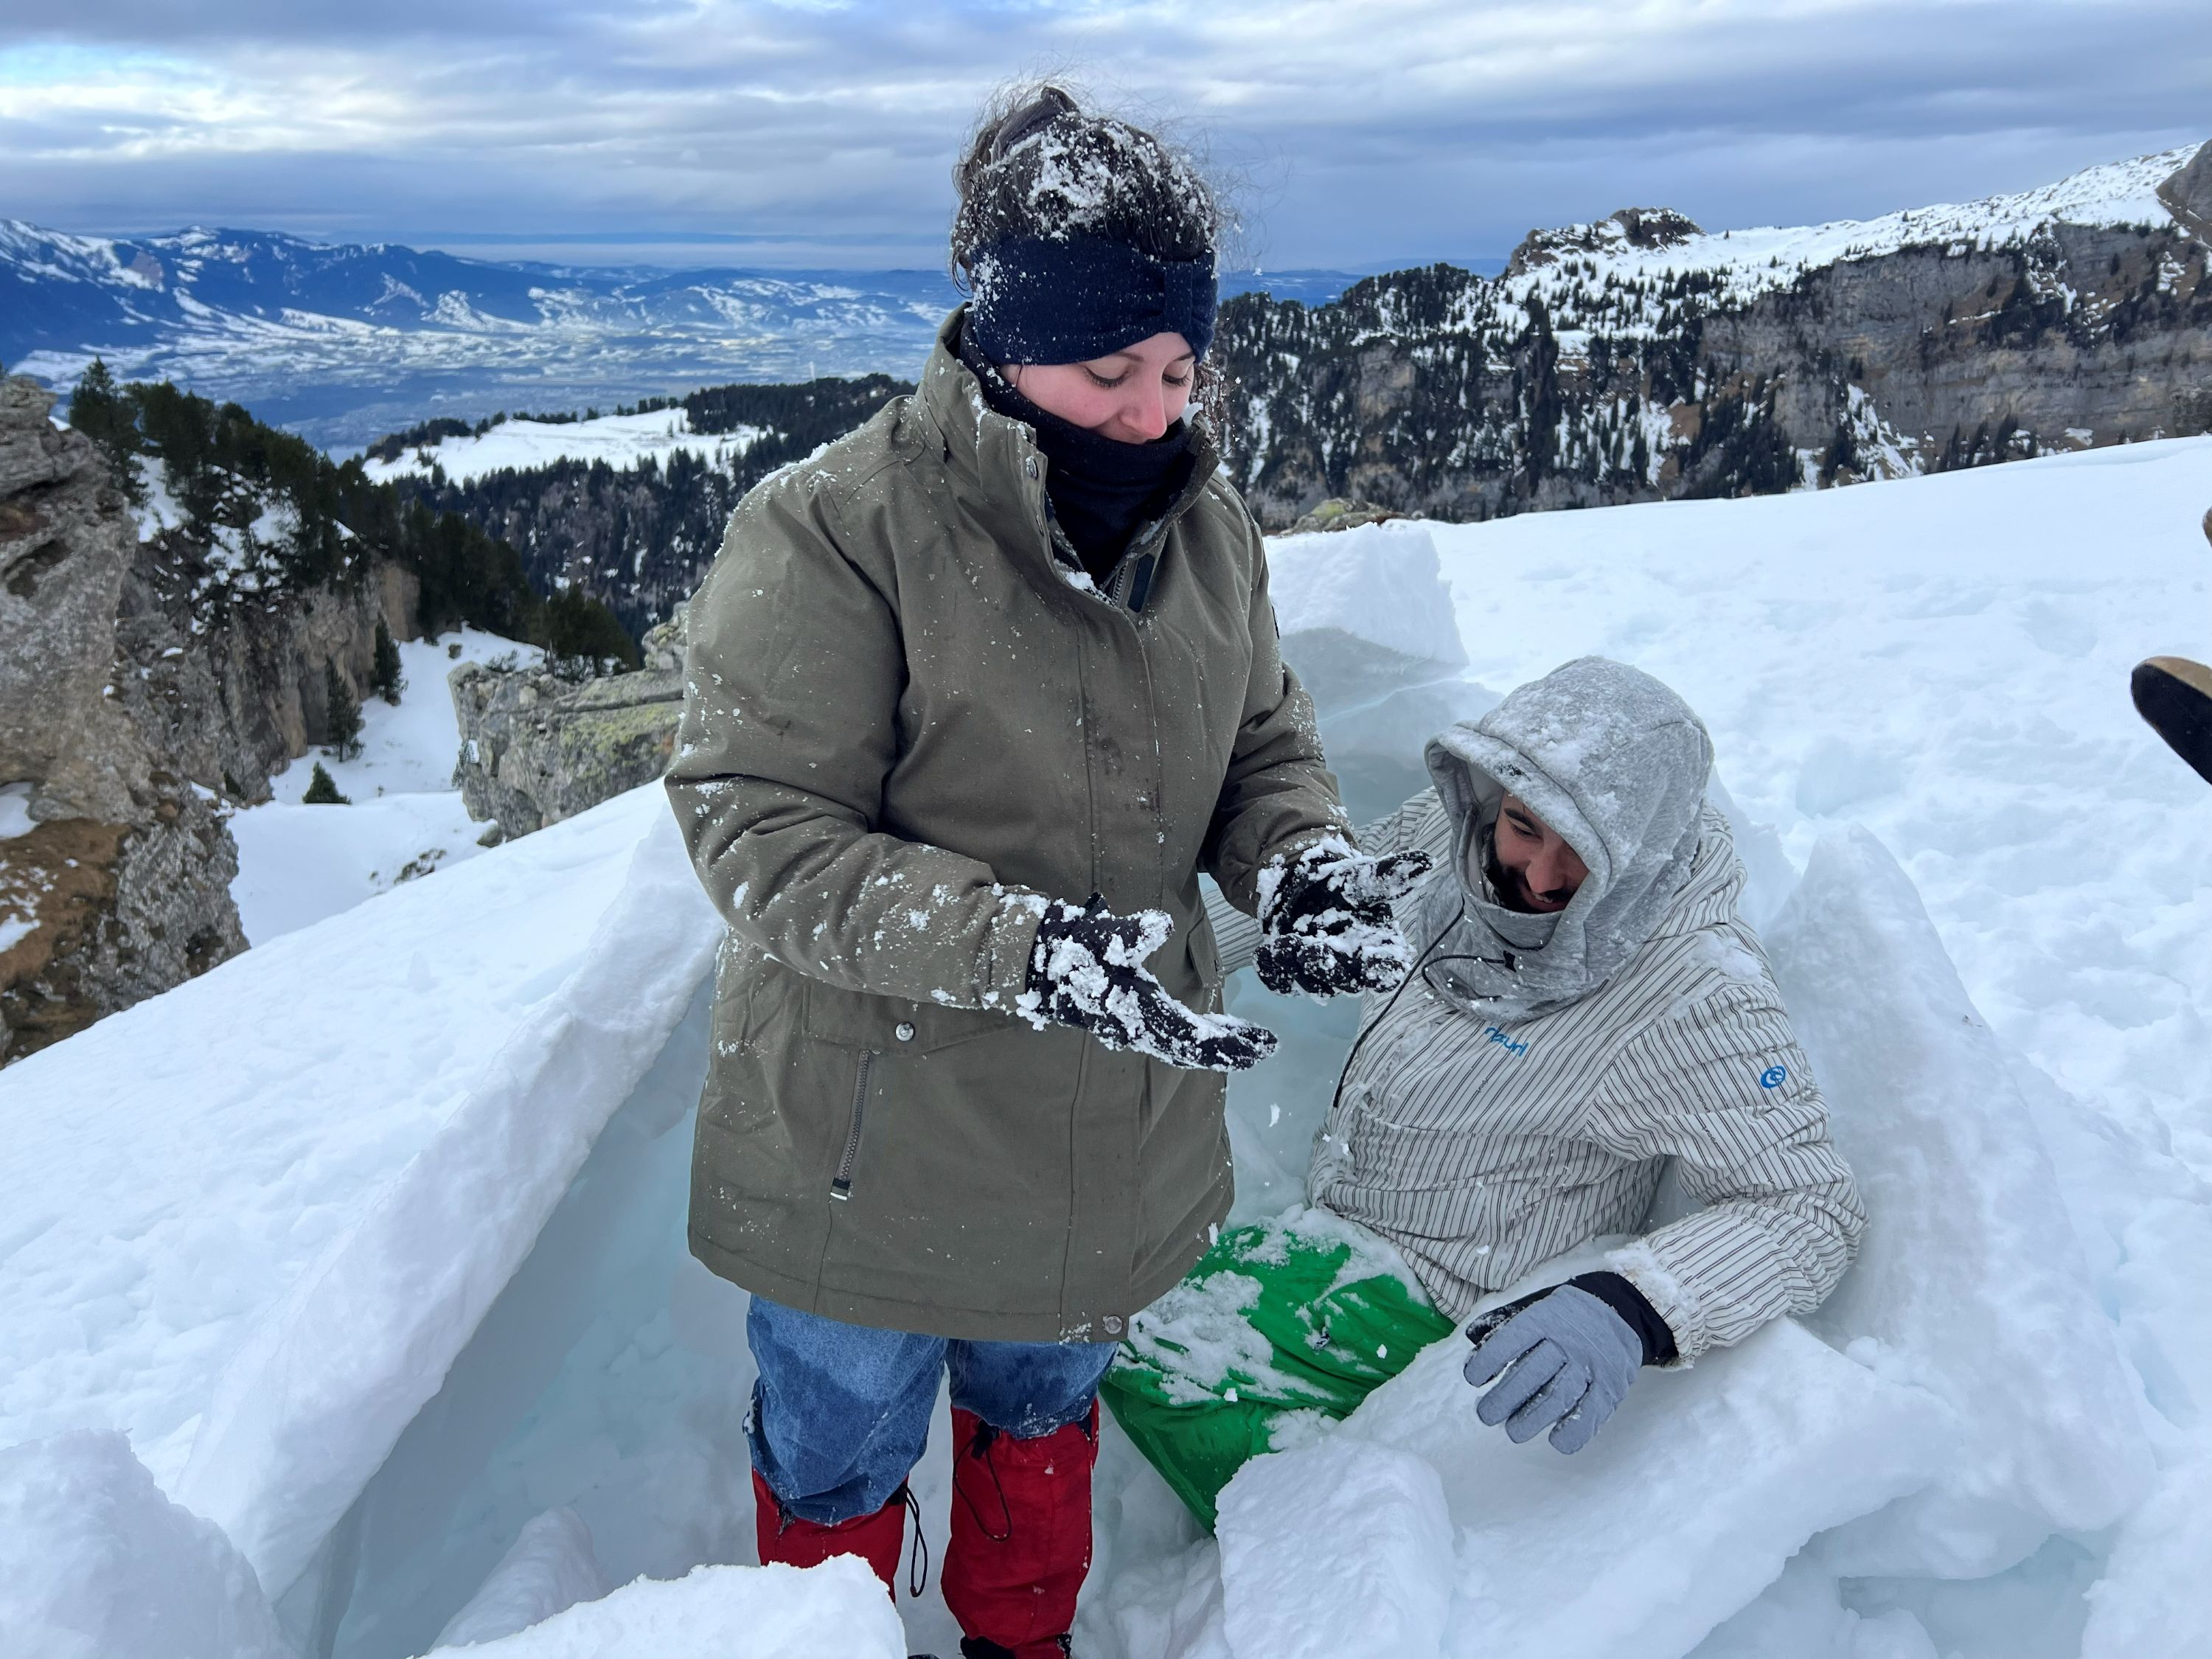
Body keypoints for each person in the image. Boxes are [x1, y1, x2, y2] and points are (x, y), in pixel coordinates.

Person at [664, 85, 1424, 1659]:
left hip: (1105, 1139)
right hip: (867, 1145)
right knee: (837, 1465)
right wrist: (1016, 945)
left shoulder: (1210, 534)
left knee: (1040, 1421)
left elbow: (1261, 745)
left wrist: (1296, 865)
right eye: (1110, 371)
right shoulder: (833, 531)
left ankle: (1025, 1645)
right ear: (1002, 345)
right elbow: (757, 827)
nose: (1158, 411)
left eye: (1179, 366)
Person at [1102, 657, 1866, 1528]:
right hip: (1346, 1218)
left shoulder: (1695, 991)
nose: (1538, 876)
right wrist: (1148, 967)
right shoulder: (1453, 834)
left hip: (1451, 1289)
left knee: (1136, 1342)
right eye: (1525, 827)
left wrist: (1637, 1304)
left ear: (1644, 850)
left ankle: (1329, 1548)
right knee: (1114, 1285)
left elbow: (1811, 1205)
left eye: (1581, 852)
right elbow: (1330, 906)